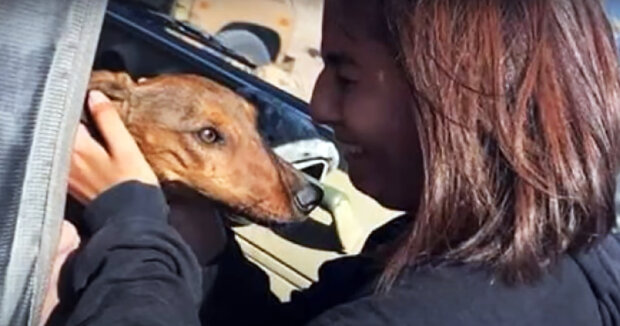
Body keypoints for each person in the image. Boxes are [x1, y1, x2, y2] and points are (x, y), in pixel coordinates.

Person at [46, 0, 620, 325]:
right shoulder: (484, 251)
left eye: (344, 75)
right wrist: (212, 254)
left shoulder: (442, 311)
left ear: (459, 98)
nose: (318, 105)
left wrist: (131, 229)